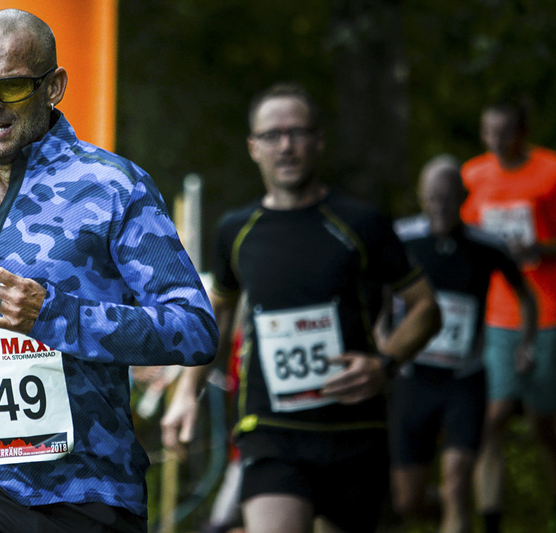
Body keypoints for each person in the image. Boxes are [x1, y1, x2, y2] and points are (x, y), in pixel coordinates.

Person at [0, 9, 218, 533]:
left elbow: (194, 328)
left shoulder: (114, 186)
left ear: (53, 87)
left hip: (90, 484)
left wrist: (54, 315)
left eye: (10, 87)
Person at [160, 82, 441, 533]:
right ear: (253, 147)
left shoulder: (361, 223)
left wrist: (386, 363)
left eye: (297, 133)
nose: (286, 146)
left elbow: (426, 307)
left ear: (319, 140)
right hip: (270, 432)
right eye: (272, 135)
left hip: (353, 431)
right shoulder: (237, 231)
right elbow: (219, 315)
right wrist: (185, 394)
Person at [385, 155, 536, 533]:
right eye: (432, 198)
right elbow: (377, 288)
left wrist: (526, 343)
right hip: (413, 379)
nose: (439, 207)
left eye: (448, 198)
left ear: (463, 198)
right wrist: (383, 336)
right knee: (407, 500)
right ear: (421, 196)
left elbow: (526, 297)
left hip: (463, 380)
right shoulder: (401, 237)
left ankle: (456, 513)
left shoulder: (487, 245)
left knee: (456, 480)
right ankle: (446, 516)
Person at [461, 99, 556, 533]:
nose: (496, 141)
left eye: (504, 132)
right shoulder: (472, 176)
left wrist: (540, 249)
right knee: (491, 419)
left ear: (522, 133)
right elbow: (462, 235)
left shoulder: (549, 172)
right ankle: (491, 522)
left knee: (543, 425)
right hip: (497, 313)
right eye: (488, 132)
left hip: (548, 311)